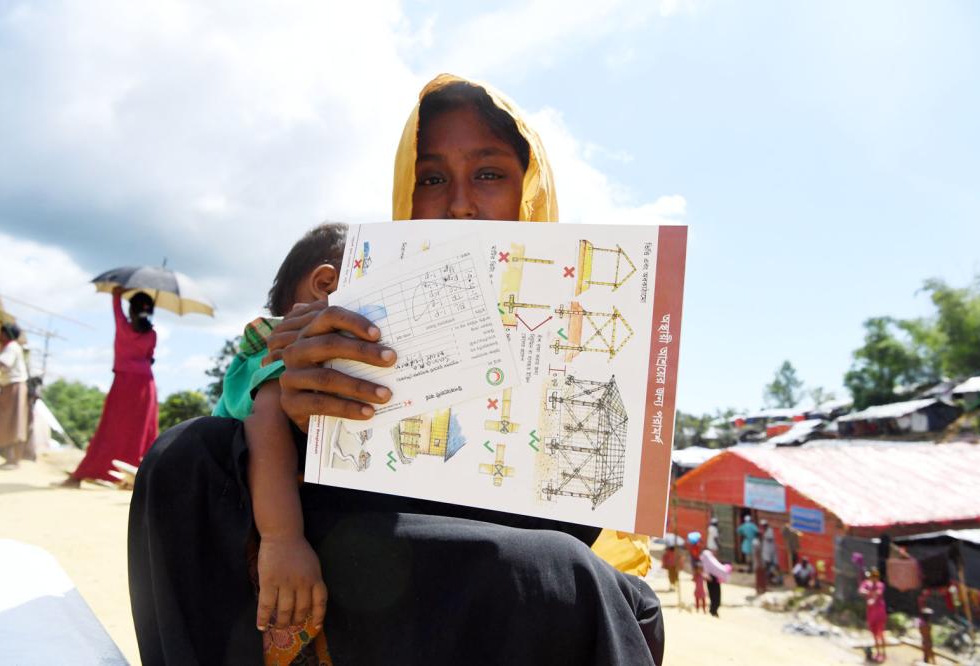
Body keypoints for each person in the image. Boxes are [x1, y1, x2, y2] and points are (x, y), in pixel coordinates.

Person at [129, 74, 664, 666]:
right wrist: (305, 417)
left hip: (494, 585)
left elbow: (587, 536)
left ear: (530, 192)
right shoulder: (351, 317)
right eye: (432, 178)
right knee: (189, 458)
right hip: (373, 568)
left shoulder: (598, 322)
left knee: (561, 576)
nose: (459, 202)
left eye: (488, 174)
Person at [211, 223, 346, 662]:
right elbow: (266, 426)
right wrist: (283, 538)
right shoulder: (281, 348)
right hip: (257, 525)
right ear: (326, 284)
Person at [58, 288, 157, 487]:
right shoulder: (152, 334)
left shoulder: (123, 326)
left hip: (123, 383)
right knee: (140, 431)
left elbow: (116, 308)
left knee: (110, 429)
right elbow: (149, 357)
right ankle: (137, 478)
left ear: (132, 310)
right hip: (145, 386)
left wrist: (117, 293)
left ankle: (85, 473)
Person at [0, 323, 29, 470]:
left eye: (1, 333)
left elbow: (3, 364)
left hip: (14, 387)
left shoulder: (11, 347)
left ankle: (14, 460)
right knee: (7, 422)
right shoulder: (9, 347)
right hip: (9, 387)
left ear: (6, 335)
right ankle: (10, 458)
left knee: (13, 421)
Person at [859, 567, 888, 663]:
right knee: (874, 633)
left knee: (880, 633)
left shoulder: (880, 585)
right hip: (871, 612)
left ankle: (883, 653)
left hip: (879, 611)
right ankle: (878, 652)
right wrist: (869, 593)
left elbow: (878, 593)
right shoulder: (867, 584)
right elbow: (861, 590)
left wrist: (873, 598)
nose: (874, 578)